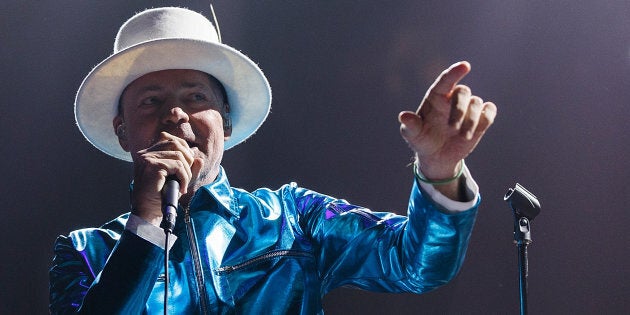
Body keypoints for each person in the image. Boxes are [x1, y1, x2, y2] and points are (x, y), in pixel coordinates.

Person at [49, 7, 497, 314]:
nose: (176, 113)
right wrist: (147, 223)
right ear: (123, 130)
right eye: (151, 100)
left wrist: (440, 172)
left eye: (196, 96)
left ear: (225, 123)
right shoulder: (85, 252)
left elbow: (416, 265)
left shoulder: (292, 218)